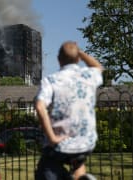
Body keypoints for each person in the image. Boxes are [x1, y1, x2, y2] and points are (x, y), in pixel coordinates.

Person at [35, 41, 103, 180]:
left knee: (45, 169)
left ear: (59, 59)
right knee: (78, 163)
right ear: (78, 58)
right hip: (87, 142)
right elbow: (98, 66)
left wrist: (53, 138)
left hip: (61, 145)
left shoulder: (51, 80)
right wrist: (80, 53)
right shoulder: (90, 76)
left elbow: (40, 106)